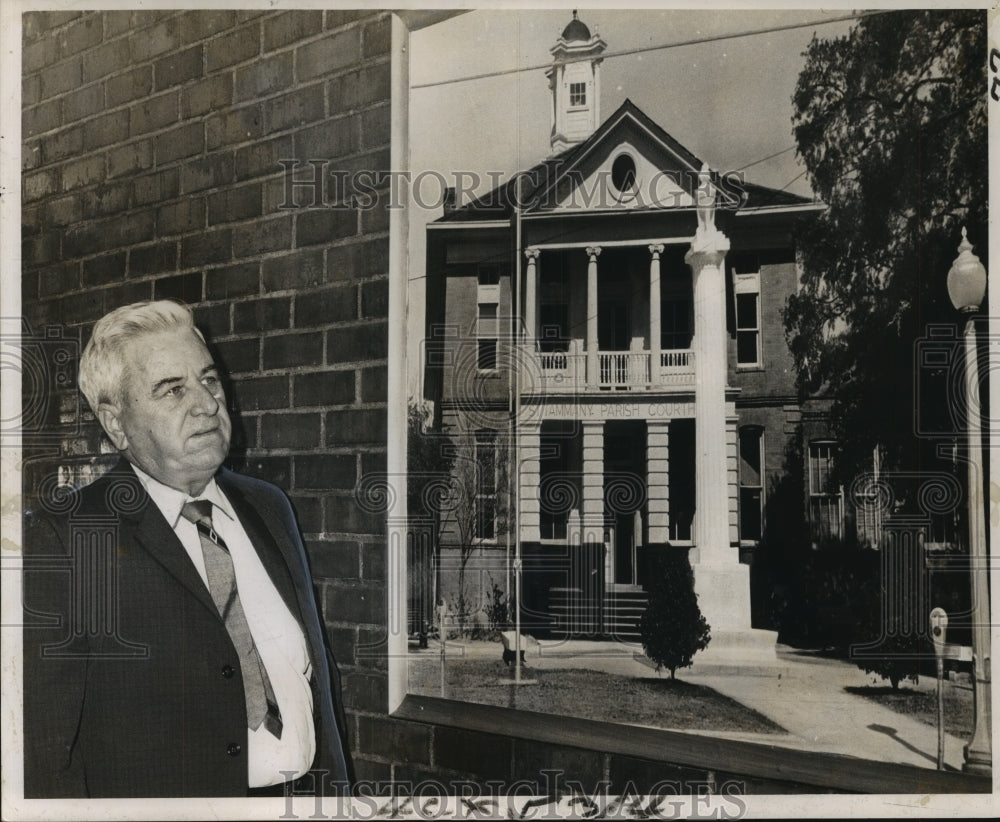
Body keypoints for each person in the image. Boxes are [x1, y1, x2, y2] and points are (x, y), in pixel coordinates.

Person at [23, 300, 353, 798]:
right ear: (116, 424)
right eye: (172, 390)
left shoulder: (268, 507)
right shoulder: (68, 536)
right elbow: (46, 755)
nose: (206, 404)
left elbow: (320, 683)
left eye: (209, 380)